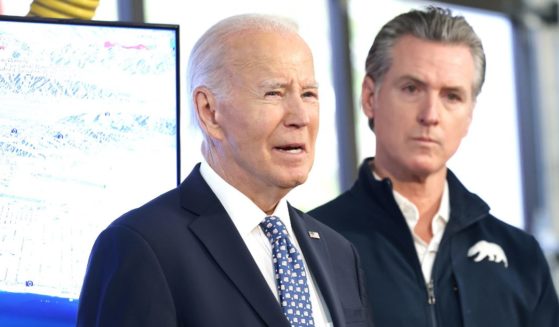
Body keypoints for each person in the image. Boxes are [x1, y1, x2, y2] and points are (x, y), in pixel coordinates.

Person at [77, 13, 371, 327]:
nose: (300, 116)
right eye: (274, 93)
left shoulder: (339, 253)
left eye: (308, 94)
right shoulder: (142, 246)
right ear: (210, 112)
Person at [309, 6, 559, 327]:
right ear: (371, 97)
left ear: (469, 114)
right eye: (412, 89)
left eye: (452, 96)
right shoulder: (312, 246)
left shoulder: (521, 257)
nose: (430, 115)